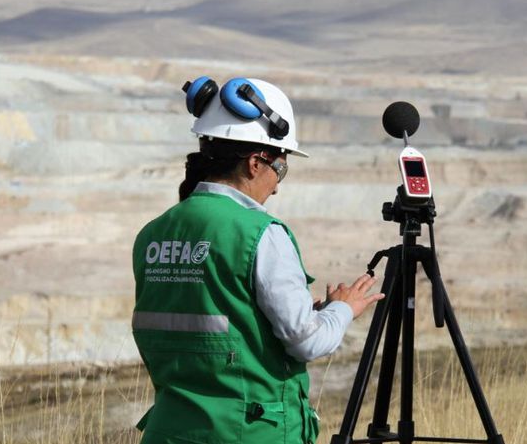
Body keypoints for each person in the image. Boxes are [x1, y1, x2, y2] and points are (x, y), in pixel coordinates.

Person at [131, 76, 384, 444]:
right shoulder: (260, 233)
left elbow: (209, 325)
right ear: (255, 162)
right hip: (247, 432)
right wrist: (342, 310)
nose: (278, 184)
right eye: (280, 168)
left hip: (170, 432)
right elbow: (307, 342)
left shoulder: (153, 234)